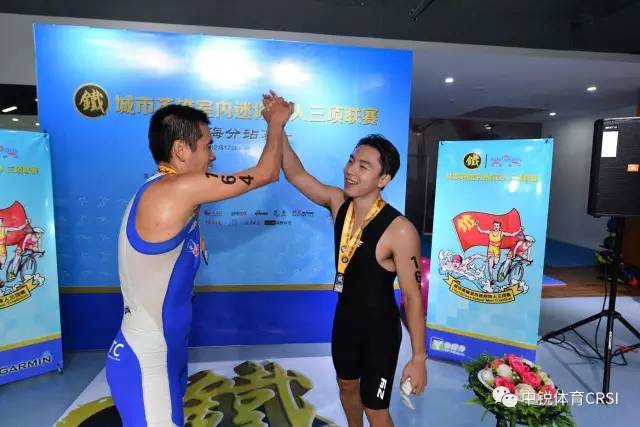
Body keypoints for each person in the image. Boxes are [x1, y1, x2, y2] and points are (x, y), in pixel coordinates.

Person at [105, 94, 293, 427]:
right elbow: (266, 173)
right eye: (208, 146)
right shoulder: (175, 190)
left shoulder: (173, 195)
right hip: (147, 362)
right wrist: (276, 121)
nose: (213, 154)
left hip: (166, 355)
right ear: (181, 149)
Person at [269, 93, 426, 427]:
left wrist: (419, 357)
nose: (350, 170)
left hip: (380, 332)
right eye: (351, 161)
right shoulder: (338, 203)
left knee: (376, 409)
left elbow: (412, 297)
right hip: (345, 321)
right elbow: (295, 174)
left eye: (363, 166)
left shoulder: (400, 230)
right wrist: (278, 125)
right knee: (346, 386)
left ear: (383, 179)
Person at [475, 220, 522, 287]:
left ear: (499, 227)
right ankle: (491, 279)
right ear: (493, 226)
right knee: (490, 265)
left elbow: (512, 234)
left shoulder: (501, 233)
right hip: (490, 250)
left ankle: (494, 264)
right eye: (495, 226)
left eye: (497, 226)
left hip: (497, 250)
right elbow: (481, 231)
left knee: (496, 262)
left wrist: (519, 230)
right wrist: (477, 225)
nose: (496, 227)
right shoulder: (490, 232)